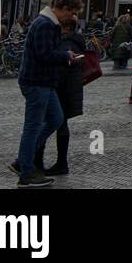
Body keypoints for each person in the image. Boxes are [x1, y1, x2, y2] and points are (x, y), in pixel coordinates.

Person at [12, 0, 85, 187]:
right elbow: (44, 54)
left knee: (56, 118)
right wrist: (65, 56)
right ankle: (26, 173)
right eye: (73, 13)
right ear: (64, 9)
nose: (74, 18)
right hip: (36, 82)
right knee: (32, 127)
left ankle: (23, 160)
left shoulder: (49, 24)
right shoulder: (45, 24)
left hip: (45, 82)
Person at [34, 15, 86, 175]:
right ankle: (55, 162)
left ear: (65, 27)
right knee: (59, 124)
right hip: (69, 89)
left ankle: (41, 162)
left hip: (61, 89)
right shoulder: (76, 40)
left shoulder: (67, 42)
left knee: (47, 123)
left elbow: (63, 64)